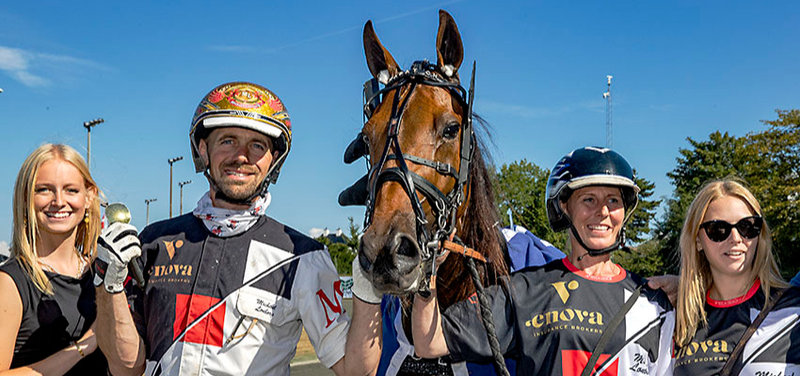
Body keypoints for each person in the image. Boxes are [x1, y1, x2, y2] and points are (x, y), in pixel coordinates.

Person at [93, 82, 381, 376]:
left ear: (274, 161)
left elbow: (356, 371)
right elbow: (125, 367)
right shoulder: (154, 241)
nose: (241, 156)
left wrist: (367, 284)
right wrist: (107, 284)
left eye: (257, 145)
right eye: (228, 140)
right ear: (203, 149)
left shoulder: (304, 257)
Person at [411, 147, 674, 375]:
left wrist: (693, 283)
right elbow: (429, 342)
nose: (603, 211)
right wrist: (427, 272)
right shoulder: (524, 291)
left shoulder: (654, 303)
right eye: (589, 200)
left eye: (613, 200)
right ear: (564, 206)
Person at [673, 179, 800, 375]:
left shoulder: (794, 309)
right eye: (718, 230)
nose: (736, 238)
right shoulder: (675, 317)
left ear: (760, 234)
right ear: (697, 240)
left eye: (747, 227)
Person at [0, 144, 107, 374]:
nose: (58, 201)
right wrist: (82, 347)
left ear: (90, 197)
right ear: (26, 198)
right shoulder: (11, 282)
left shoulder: (103, 275)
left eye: (71, 190)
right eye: (44, 190)